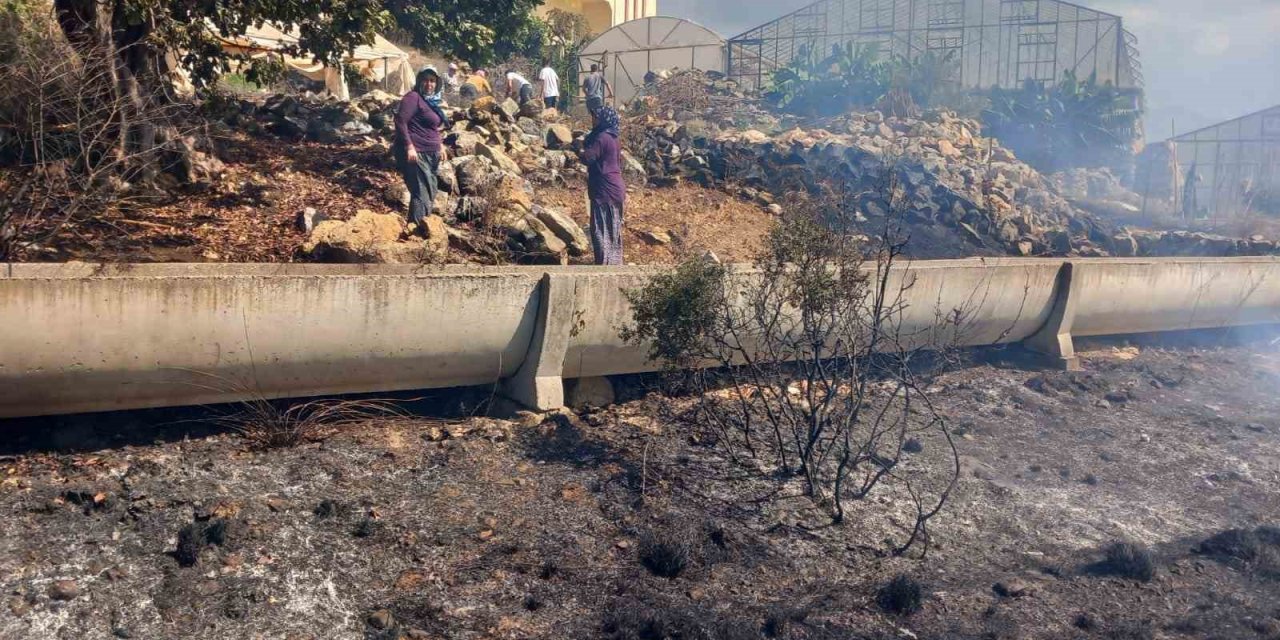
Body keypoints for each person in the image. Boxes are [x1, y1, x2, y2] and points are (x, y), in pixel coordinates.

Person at [394, 66, 450, 233]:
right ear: (419, 81)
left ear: (437, 84)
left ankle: (415, 228)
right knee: (421, 193)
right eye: (425, 80)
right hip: (417, 153)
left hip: (432, 154)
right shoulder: (413, 97)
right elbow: (400, 121)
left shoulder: (430, 102)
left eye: (432, 81)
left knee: (431, 190)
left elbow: (433, 128)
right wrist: (409, 147)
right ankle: (417, 232)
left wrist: (440, 145)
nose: (429, 84)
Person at [581, 103, 625, 265]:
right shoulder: (613, 137)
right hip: (615, 187)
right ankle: (614, 264)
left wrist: (577, 149)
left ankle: (604, 266)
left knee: (600, 229)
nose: (593, 120)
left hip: (604, 188)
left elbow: (589, 158)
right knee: (613, 229)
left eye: (595, 117)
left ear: (603, 119)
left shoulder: (601, 138)